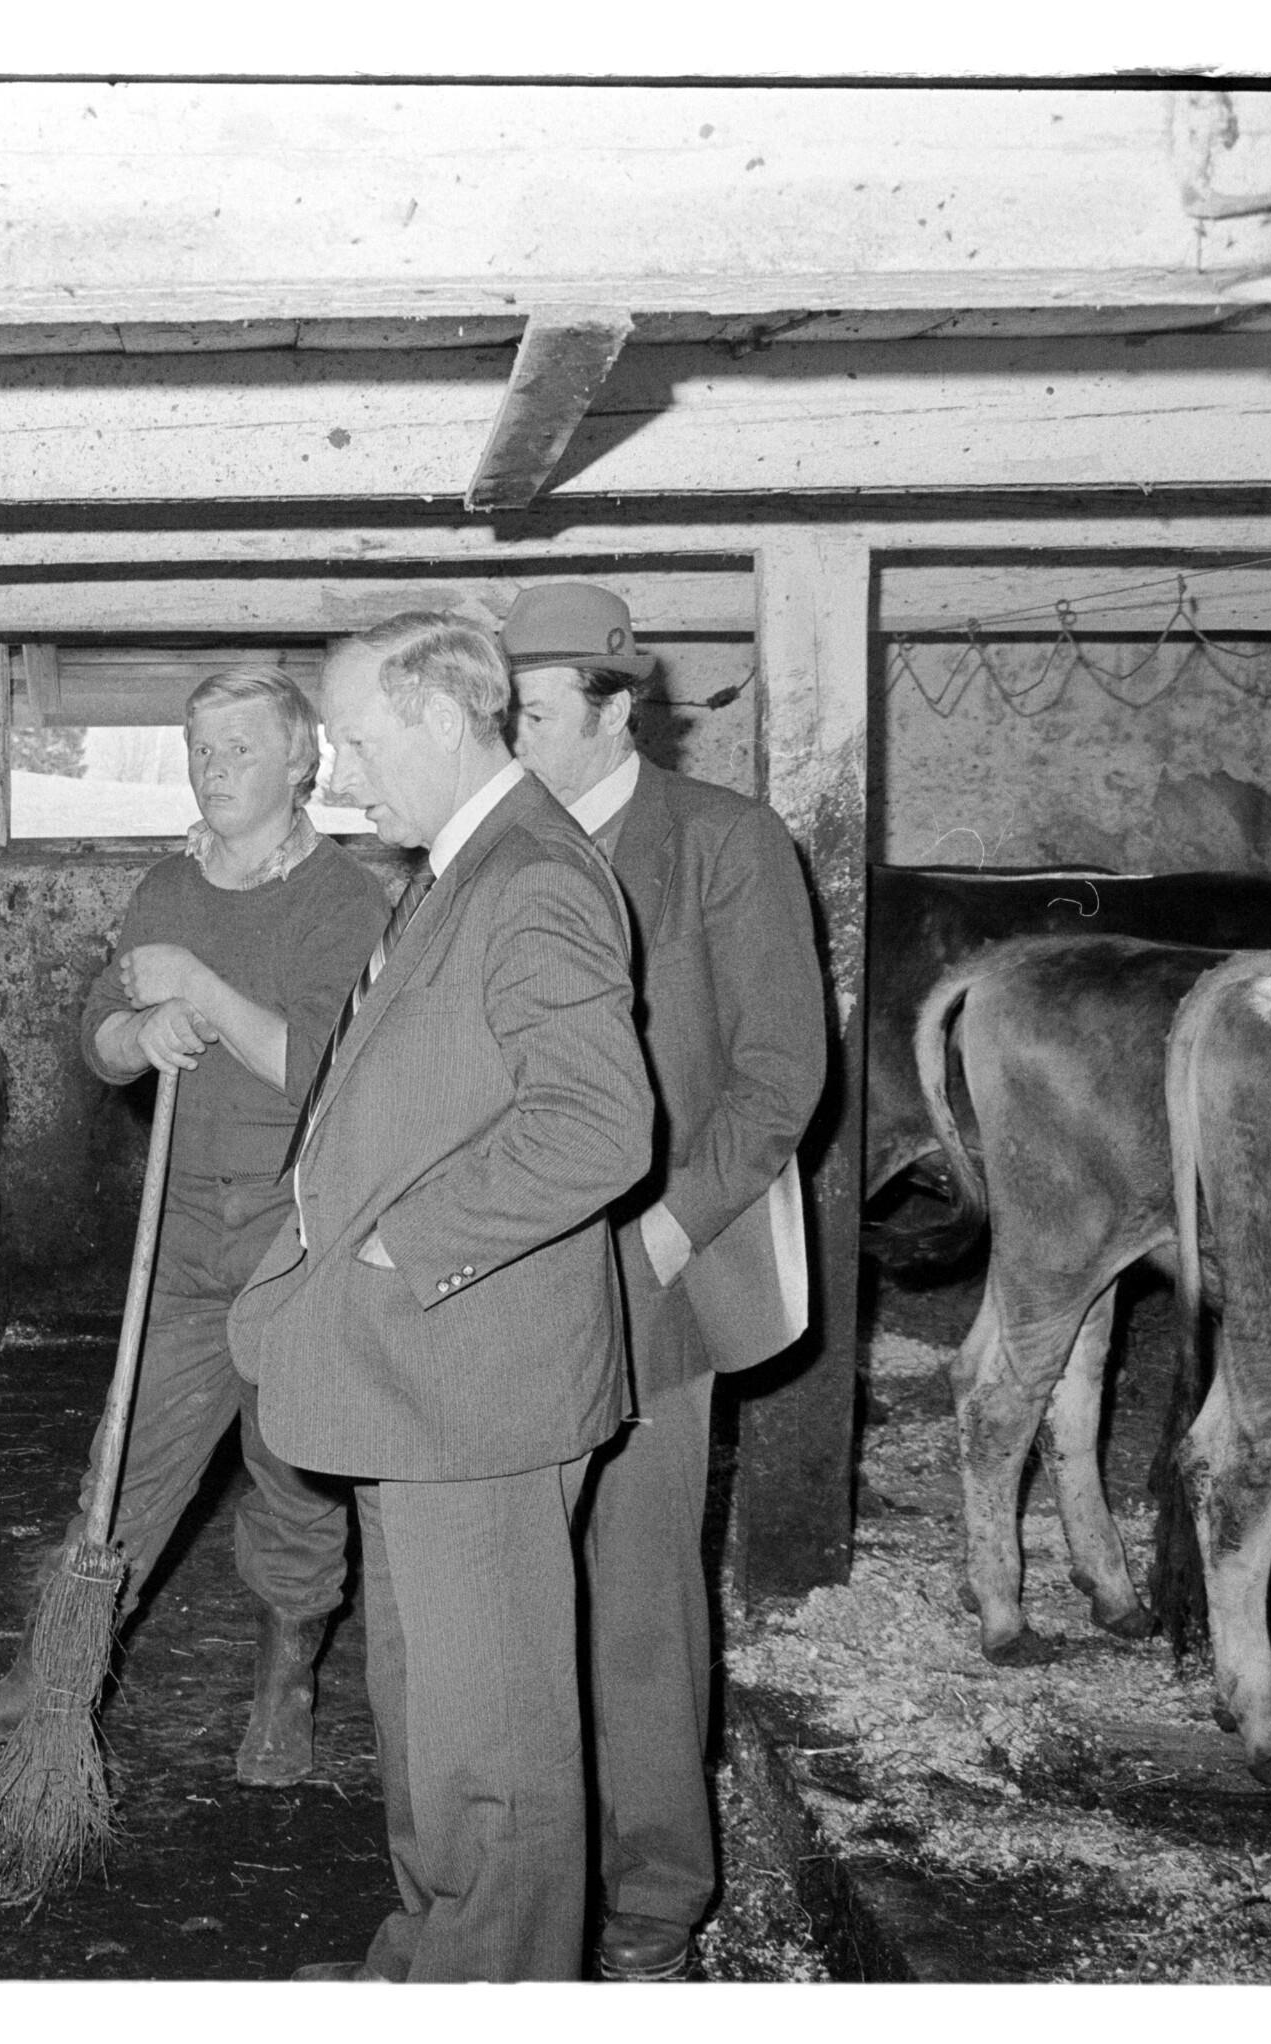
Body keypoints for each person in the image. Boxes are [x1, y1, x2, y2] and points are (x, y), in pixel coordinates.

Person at [232, 612, 652, 1982]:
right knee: (426, 1709)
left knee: (495, 1748)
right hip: (414, 1379)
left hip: (477, 1380)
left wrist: (404, 1243)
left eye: (356, 741)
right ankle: (430, 1957)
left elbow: (598, 1126)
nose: (340, 775)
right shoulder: (458, 868)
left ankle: (496, 1980)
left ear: (435, 714)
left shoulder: (531, 874)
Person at [0, 667, 386, 1783]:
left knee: (295, 1470)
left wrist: (201, 992)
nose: (213, 768)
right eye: (199, 747)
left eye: (240, 747)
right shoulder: (167, 886)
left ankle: (285, 1685)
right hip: (184, 1224)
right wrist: (140, 1029)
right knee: (124, 1461)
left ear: (302, 761)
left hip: (296, 1230)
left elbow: (325, 1070)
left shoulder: (346, 903)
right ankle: (48, 1679)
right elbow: (98, 1036)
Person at [502, 582, 828, 1982]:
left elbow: (780, 1075)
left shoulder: (723, 842)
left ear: (616, 706)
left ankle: (654, 1892)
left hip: (650, 1266)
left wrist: (668, 1232)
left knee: (635, 1583)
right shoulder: (490, 847)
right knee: (509, 1582)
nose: (511, 738)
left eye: (531, 712)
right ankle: (525, 1875)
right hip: (506, 1266)